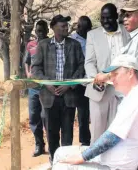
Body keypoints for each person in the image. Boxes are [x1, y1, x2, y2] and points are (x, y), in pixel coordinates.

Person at [52, 54, 138, 170]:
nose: (111, 79)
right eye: (111, 75)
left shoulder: (137, 100)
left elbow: (111, 137)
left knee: (62, 165)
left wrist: (82, 157)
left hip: (119, 165)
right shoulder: (135, 97)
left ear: (130, 73)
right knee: (59, 152)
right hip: (113, 158)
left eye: (115, 74)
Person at [32, 14, 85, 163]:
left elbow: (81, 67)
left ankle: (65, 162)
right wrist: (47, 84)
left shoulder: (74, 45)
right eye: (62, 26)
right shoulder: (43, 45)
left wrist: (68, 85)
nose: (66, 28)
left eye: (66, 26)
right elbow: (36, 69)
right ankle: (54, 160)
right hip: (49, 97)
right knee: (51, 131)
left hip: (69, 96)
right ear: (53, 28)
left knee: (67, 132)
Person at [85, 3, 130, 143]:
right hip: (99, 92)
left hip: (122, 93)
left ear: (116, 17)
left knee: (119, 135)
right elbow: (89, 62)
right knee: (98, 136)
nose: (105, 21)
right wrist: (95, 79)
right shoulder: (93, 35)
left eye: (109, 18)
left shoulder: (128, 33)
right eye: (103, 18)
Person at [94, 1, 138, 86]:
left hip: (137, 92)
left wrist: (106, 76)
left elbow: (131, 70)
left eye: (128, 15)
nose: (124, 19)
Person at [24, 20, 49, 157]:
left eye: (42, 30)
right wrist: (28, 73)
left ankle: (53, 145)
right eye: (37, 30)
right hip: (33, 86)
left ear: (47, 30)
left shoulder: (51, 43)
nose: (40, 32)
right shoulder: (31, 44)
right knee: (34, 117)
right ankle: (39, 144)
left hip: (47, 87)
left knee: (46, 117)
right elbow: (27, 61)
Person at [70, 16, 93, 146]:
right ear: (78, 27)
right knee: (81, 113)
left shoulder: (92, 37)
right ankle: (84, 141)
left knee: (92, 112)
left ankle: (91, 139)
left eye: (88, 29)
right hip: (77, 83)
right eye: (84, 29)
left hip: (91, 80)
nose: (86, 32)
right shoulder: (72, 40)